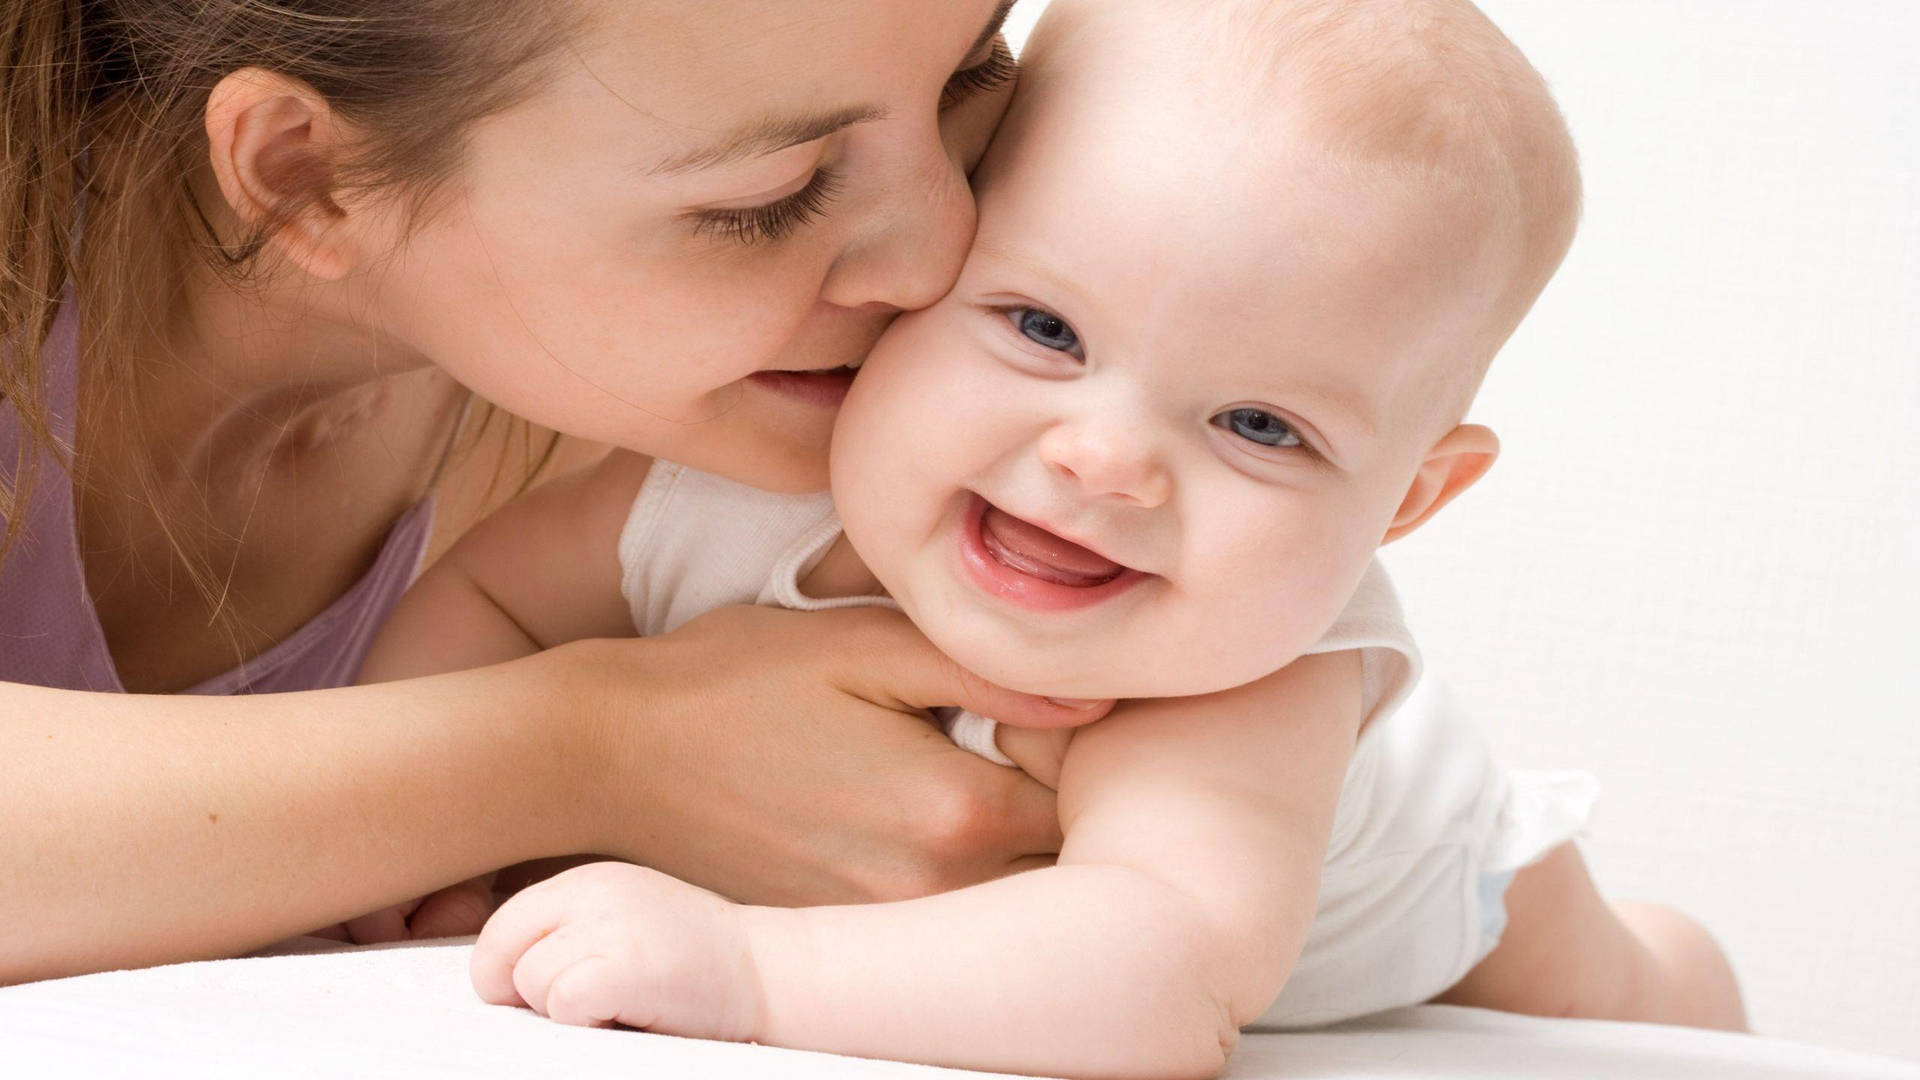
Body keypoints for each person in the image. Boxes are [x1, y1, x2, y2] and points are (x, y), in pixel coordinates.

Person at [361, 0, 1746, 1074]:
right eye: (1043, 329)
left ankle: (1679, 971)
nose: (1107, 460)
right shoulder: (730, 488)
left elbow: (1166, 977)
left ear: (1405, 503)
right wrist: (414, 849)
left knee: (1616, 998)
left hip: (1435, 881)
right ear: (926, 275)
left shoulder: (1251, 674)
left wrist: (750, 972)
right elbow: (488, 604)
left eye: (1262, 426)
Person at [0, 0, 1113, 984]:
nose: (939, 254)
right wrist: (598, 752)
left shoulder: (674, 421)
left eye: (972, 73)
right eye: (773, 196)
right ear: (306, 175)